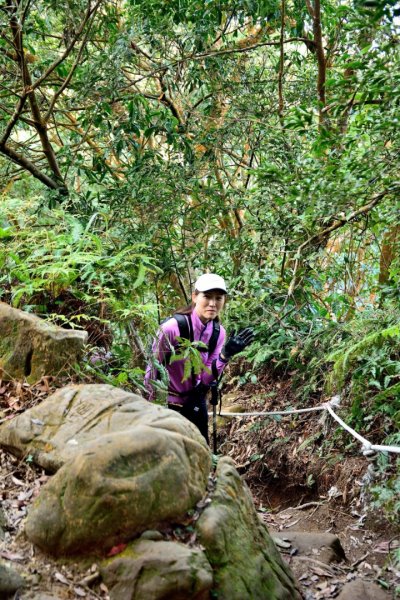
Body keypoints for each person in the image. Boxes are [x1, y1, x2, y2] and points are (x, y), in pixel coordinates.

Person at [144, 273, 253, 443]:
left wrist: (225, 355)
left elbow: (206, 377)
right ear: (195, 297)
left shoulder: (218, 333)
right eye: (207, 297)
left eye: (218, 298)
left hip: (193, 399)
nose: (212, 303)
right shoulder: (172, 328)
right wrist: (150, 406)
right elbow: (153, 369)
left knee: (201, 451)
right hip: (166, 401)